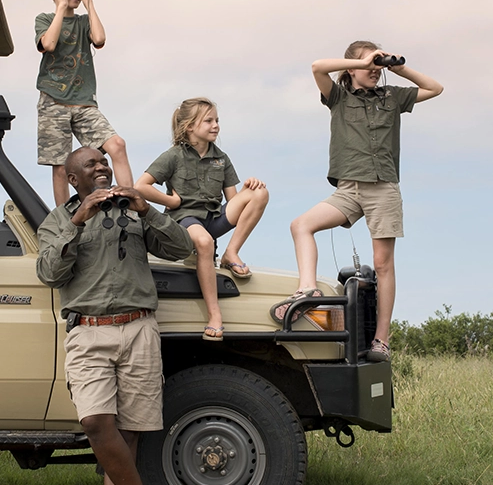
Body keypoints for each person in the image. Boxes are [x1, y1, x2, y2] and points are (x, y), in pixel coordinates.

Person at [35, 147, 191, 485]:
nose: (102, 167)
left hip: (139, 326)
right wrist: (77, 221)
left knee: (127, 434)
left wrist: (150, 210)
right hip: (88, 330)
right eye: (91, 164)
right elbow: (49, 273)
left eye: (104, 161)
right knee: (95, 424)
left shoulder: (137, 210)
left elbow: (181, 249)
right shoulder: (57, 220)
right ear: (72, 178)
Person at [279, 41, 442, 362]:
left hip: (383, 187)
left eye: (377, 65)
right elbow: (316, 67)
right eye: (368, 65)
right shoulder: (338, 97)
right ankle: (308, 289)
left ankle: (381, 339)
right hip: (348, 189)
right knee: (301, 225)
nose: (374, 70)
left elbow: (434, 88)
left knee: (382, 264)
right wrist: (363, 60)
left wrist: (397, 67)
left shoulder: (393, 97)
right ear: (350, 68)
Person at [136, 98, 269, 341]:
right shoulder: (173, 156)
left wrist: (251, 187)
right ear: (189, 127)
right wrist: (171, 202)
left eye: (217, 120)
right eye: (208, 120)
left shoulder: (222, 158)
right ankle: (214, 315)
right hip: (184, 220)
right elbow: (141, 186)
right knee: (205, 242)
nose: (215, 125)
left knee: (260, 192)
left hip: (213, 219)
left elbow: (234, 200)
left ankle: (231, 253)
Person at [36, 0, 131, 206]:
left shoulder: (83, 22)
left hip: (84, 101)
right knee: (60, 164)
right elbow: (49, 43)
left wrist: (89, 3)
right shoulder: (45, 19)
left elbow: (99, 39)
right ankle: (64, 219)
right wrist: (60, 5)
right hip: (54, 100)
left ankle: (129, 204)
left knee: (117, 145)